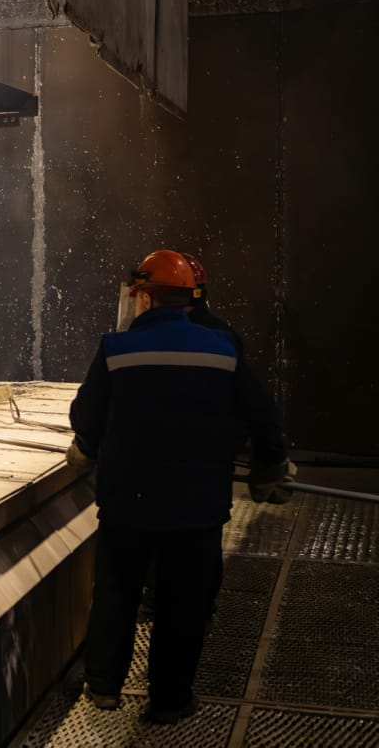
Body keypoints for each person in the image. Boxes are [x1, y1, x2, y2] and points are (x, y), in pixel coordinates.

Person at [66, 249, 295, 724]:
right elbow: (262, 415)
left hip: (128, 500)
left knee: (117, 592)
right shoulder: (223, 348)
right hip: (197, 502)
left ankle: (104, 687)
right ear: (192, 299)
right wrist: (269, 468)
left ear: (145, 298)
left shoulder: (116, 348)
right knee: (183, 602)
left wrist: (86, 447)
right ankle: (169, 701)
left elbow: (87, 415)